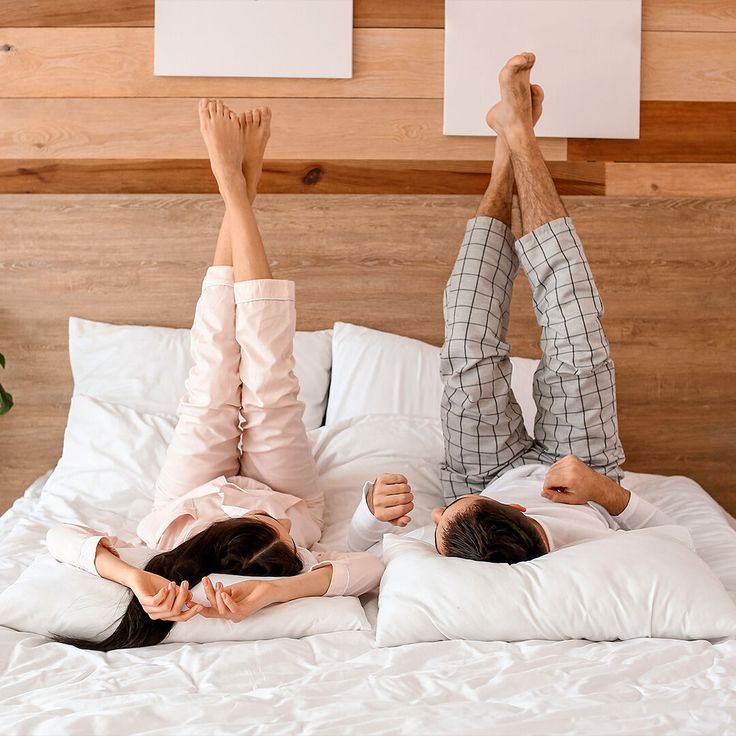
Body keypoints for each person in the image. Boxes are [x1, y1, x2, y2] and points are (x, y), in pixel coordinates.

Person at [47, 100, 383, 650]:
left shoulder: (165, 543)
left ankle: (235, 185)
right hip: (291, 494)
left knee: (212, 378)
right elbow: (367, 569)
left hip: (188, 495)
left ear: (213, 536)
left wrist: (134, 576)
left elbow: (60, 537)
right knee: (271, 383)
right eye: (264, 524)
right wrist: (282, 591)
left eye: (251, 520)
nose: (253, 508)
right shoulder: (295, 548)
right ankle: (236, 186)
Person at [347, 53, 675, 561]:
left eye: (438, 521)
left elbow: (356, 552)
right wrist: (605, 492)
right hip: (584, 477)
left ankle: (504, 153)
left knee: (467, 347)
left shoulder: (455, 543)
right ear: (523, 515)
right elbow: (676, 540)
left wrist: (369, 513)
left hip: (479, 475)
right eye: (444, 514)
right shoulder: (587, 553)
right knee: (575, 334)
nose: (434, 514)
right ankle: (522, 138)